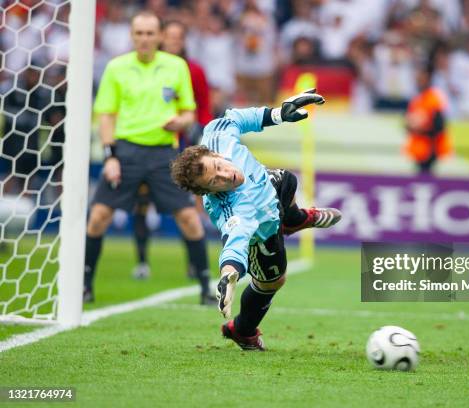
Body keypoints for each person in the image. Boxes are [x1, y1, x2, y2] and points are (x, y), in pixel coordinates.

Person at [170, 89, 342, 351]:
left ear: (215, 154)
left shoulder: (218, 134)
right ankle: (242, 330)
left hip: (268, 188)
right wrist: (229, 275)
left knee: (287, 180)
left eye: (218, 167)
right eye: (214, 182)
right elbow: (235, 242)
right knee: (273, 281)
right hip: (262, 233)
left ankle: (294, 220)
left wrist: (278, 113)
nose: (225, 176)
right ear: (209, 192)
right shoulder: (232, 210)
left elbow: (239, 118)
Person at [84, 11, 214, 305]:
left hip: (163, 155)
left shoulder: (176, 67)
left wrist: (181, 123)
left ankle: (206, 288)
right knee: (98, 217)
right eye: (139, 33)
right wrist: (110, 156)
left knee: (190, 218)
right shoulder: (116, 67)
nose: (144, 39)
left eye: (149, 33)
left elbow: (189, 112)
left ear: (160, 36)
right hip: (126, 151)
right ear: (132, 36)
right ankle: (85, 285)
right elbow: (106, 115)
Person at [130, 19, 214, 281]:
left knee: (186, 207)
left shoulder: (193, 70)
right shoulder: (147, 69)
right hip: (149, 145)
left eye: (179, 37)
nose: (174, 41)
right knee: (141, 203)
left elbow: (203, 106)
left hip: (183, 146)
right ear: (161, 37)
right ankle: (142, 261)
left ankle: (194, 265)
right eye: (170, 36)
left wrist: (200, 133)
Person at [403, 65, 452, 174]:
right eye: (418, 78)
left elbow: (439, 125)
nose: (419, 81)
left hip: (431, 148)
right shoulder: (416, 98)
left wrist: (421, 129)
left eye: (422, 79)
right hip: (418, 149)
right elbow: (408, 121)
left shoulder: (434, 98)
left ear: (429, 79)